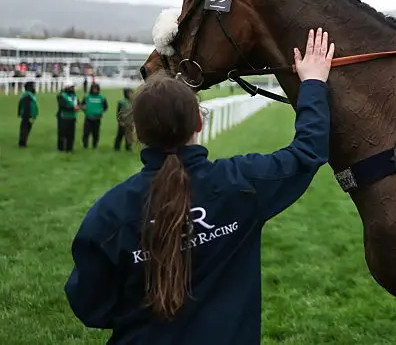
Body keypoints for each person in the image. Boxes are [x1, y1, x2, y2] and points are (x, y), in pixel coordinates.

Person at [64, 28, 336, 343]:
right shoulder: (241, 184)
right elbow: (308, 152)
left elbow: (90, 306)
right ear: (199, 122)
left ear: (137, 131)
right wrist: (314, 83)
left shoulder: (108, 216)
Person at [81, 82, 109, 149]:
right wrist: (85, 110)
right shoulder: (87, 97)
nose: (95, 90)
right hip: (88, 118)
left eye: (96, 89)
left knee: (96, 133)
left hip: (97, 118)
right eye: (94, 89)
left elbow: (105, 107)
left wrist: (100, 112)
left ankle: (94, 146)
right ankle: (85, 145)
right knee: (86, 133)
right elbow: (82, 105)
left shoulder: (101, 97)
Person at [57, 79, 82, 153]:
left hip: (72, 117)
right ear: (67, 87)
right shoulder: (61, 96)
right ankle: (61, 148)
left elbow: (78, 103)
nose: (73, 88)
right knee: (62, 134)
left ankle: (69, 148)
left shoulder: (74, 96)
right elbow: (63, 105)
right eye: (71, 87)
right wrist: (73, 108)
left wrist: (80, 106)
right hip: (63, 117)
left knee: (71, 134)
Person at [17, 81, 38, 147]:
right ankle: (22, 143)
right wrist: (30, 116)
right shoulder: (27, 96)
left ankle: (23, 141)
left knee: (26, 128)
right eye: (33, 86)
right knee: (25, 128)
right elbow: (26, 107)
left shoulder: (29, 95)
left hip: (28, 115)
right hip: (27, 115)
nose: (34, 88)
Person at [114, 87, 134, 152]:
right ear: (126, 94)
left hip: (130, 122)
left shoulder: (133, 102)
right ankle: (117, 147)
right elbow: (118, 113)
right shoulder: (121, 102)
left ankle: (128, 147)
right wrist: (120, 121)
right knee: (120, 135)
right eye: (130, 93)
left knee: (129, 136)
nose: (131, 94)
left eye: (132, 93)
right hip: (123, 122)